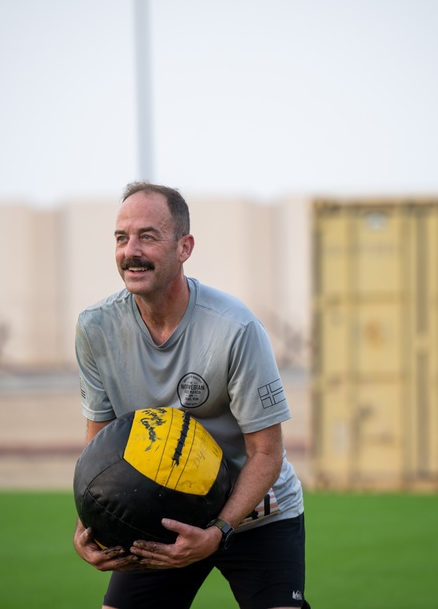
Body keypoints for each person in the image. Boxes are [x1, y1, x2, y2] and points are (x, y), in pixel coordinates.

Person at [73, 182, 310, 609]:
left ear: (184, 247)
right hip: (160, 518)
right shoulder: (96, 329)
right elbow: (101, 447)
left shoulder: (234, 328)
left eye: (148, 236)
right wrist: (90, 521)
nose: (131, 250)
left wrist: (218, 531)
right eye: (121, 238)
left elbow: (267, 454)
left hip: (256, 516)